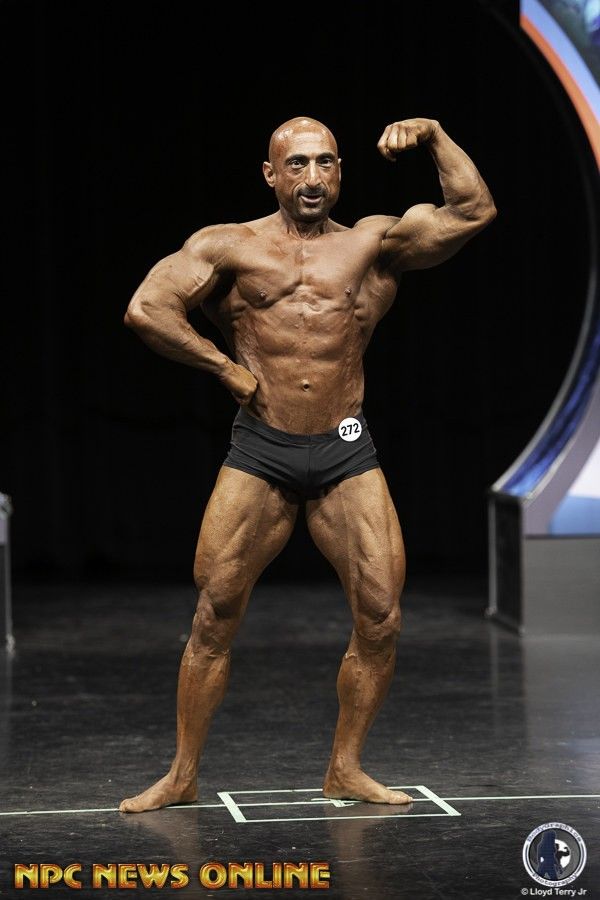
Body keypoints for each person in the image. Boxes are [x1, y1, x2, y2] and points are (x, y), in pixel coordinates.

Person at [119, 116, 496, 814]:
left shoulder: (372, 243)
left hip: (345, 448)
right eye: (297, 164)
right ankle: (182, 774)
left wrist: (436, 136)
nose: (312, 177)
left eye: (325, 162)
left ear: (341, 171)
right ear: (271, 174)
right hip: (261, 449)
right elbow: (148, 308)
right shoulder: (229, 245)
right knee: (214, 614)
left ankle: (345, 768)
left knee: (381, 616)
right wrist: (223, 367)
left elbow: (473, 211)